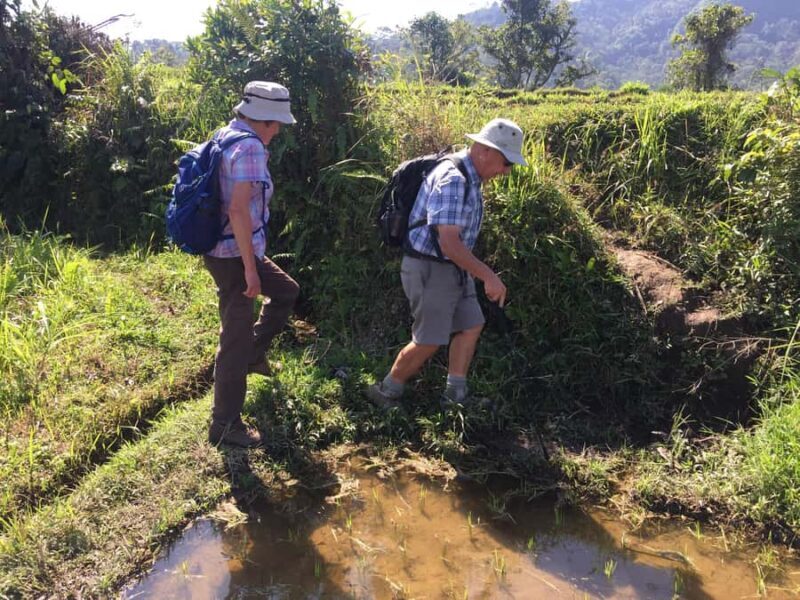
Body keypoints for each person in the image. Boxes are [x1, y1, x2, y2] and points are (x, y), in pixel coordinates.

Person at [366, 118, 527, 409]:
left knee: (471, 324)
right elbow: (449, 243)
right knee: (429, 339)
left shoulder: (472, 177)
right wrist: (488, 275)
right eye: (507, 163)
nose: (506, 172)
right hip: (430, 268)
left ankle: (455, 396)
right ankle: (385, 391)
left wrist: (474, 272)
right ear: (485, 151)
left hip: (453, 267)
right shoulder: (454, 180)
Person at [204, 81, 300, 447]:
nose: (277, 130)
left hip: (223, 247)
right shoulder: (250, 148)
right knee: (234, 336)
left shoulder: (224, 135)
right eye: (274, 123)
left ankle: (254, 355)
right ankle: (224, 425)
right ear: (261, 119)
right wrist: (248, 268)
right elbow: (238, 208)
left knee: (287, 291)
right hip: (234, 255)